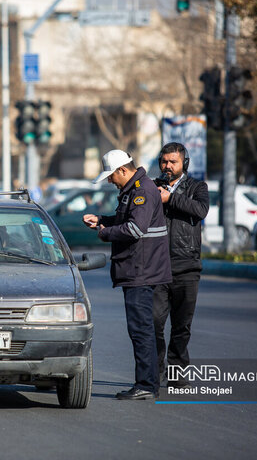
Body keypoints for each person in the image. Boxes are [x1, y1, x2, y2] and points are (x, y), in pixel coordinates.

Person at [82, 149, 172, 400]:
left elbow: (134, 228)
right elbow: (125, 219)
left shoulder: (142, 190)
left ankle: (145, 385)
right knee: (142, 328)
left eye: (111, 176)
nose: (110, 181)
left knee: (141, 329)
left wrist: (103, 232)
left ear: (123, 170)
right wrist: (101, 219)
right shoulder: (134, 189)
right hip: (138, 269)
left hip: (140, 270)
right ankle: (147, 383)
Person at [152, 142, 209, 387]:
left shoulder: (197, 187)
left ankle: (176, 374)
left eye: (173, 162)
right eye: (164, 161)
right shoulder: (152, 187)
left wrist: (171, 199)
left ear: (183, 164)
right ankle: (154, 371)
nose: (167, 166)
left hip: (187, 267)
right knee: (154, 322)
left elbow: (201, 210)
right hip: (157, 267)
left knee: (181, 326)